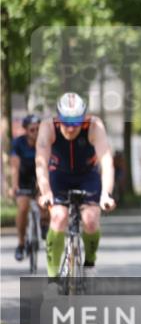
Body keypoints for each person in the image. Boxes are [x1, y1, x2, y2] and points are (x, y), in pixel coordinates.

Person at [35, 93, 116, 278]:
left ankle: (89, 261)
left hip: (87, 175)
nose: (71, 128)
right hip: (58, 175)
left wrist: (106, 194)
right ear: (58, 117)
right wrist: (46, 192)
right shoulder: (48, 127)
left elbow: (106, 162)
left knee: (91, 218)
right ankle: (53, 277)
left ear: (84, 118)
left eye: (76, 123)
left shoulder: (94, 126)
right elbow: (40, 164)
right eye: (66, 122)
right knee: (58, 217)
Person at [8, 115, 49, 261]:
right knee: (23, 207)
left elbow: (48, 164)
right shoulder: (18, 143)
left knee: (45, 202)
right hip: (24, 180)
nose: (35, 131)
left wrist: (45, 185)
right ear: (26, 130)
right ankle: (21, 243)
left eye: (38, 128)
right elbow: (15, 164)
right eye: (32, 129)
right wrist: (14, 186)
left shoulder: (44, 142)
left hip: (41, 177)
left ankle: (45, 223)